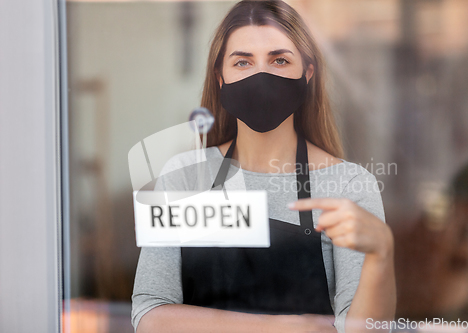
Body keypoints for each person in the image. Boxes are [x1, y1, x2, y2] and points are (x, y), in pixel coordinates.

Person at [131, 1, 396, 332]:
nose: (261, 76)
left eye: (279, 60)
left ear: (307, 73)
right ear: (220, 77)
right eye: (243, 62)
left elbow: (364, 330)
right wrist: (285, 327)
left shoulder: (349, 184)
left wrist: (380, 255)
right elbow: (149, 313)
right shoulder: (183, 175)